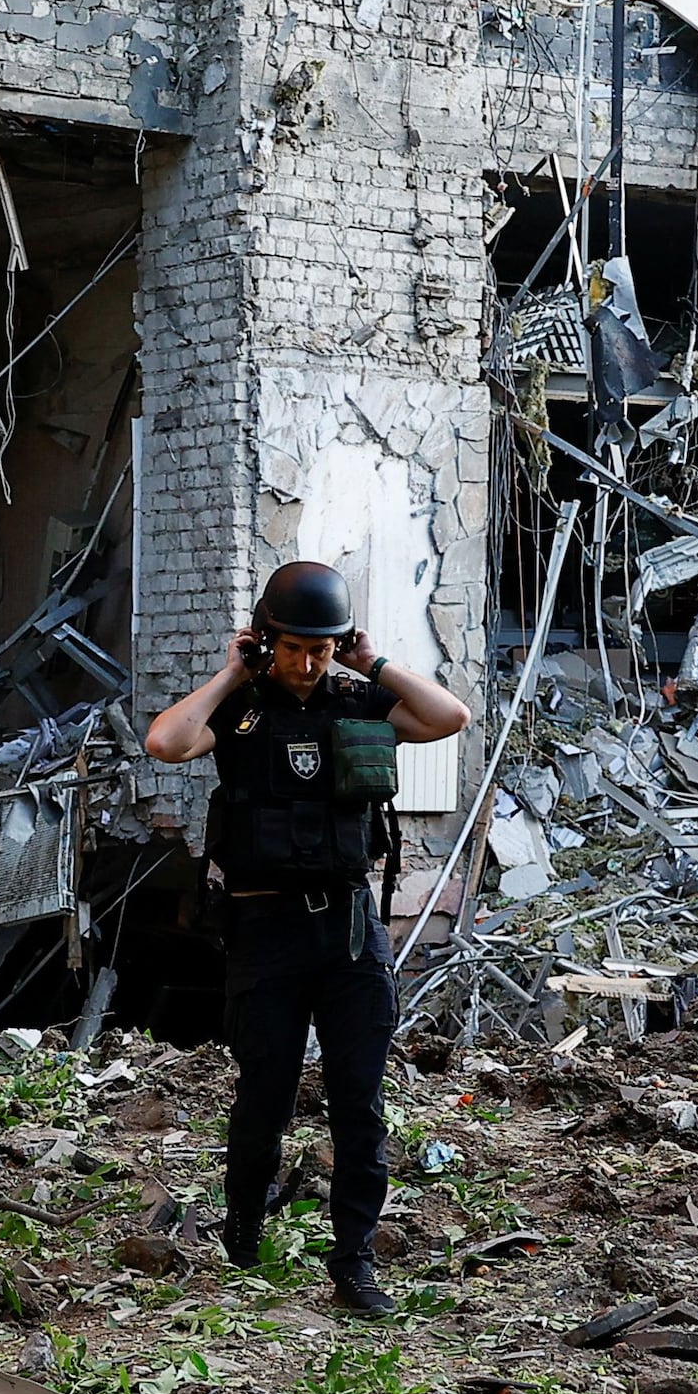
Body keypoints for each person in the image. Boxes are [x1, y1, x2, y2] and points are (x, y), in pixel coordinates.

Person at [141, 558, 474, 1315]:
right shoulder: (242, 707)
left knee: (360, 1100)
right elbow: (165, 742)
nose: (307, 662)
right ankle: (244, 1230)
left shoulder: (358, 702)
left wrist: (373, 660)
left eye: (320, 649)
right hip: (265, 931)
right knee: (266, 1095)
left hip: (351, 930)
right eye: (294, 647)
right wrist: (232, 673)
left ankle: (354, 1262)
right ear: (268, 640)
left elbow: (450, 718)